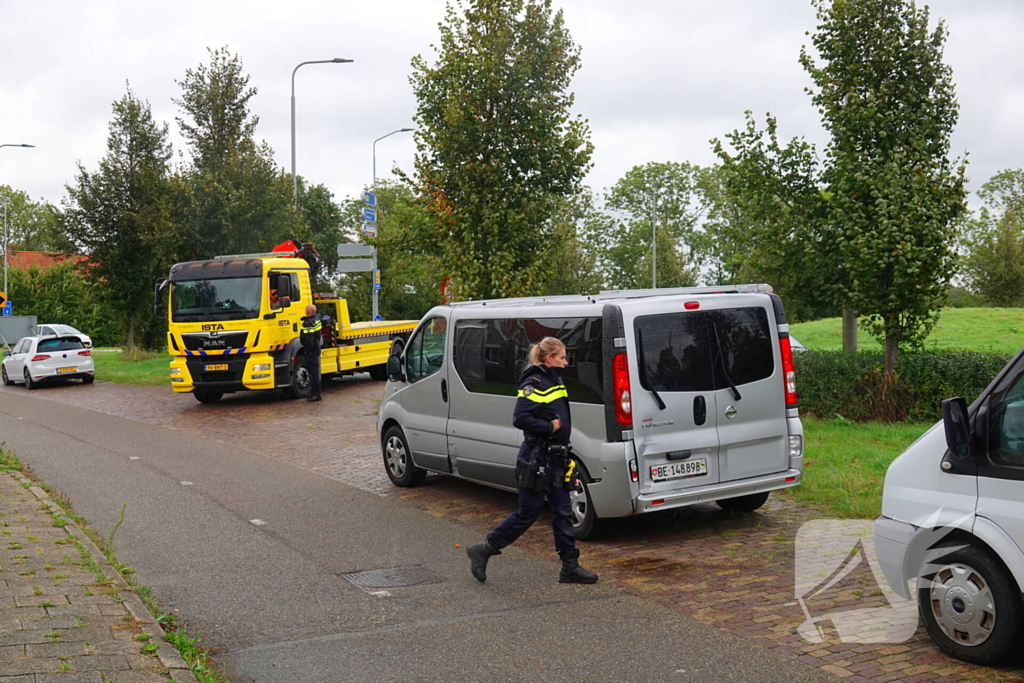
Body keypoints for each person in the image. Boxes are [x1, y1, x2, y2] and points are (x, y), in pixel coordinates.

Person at [466, 337, 599, 584]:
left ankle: (569, 567)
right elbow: (520, 417)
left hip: (555, 458)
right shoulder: (534, 382)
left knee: (562, 511)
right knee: (529, 512)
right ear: (549, 358)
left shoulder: (553, 378)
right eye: (562, 357)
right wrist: (549, 426)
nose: (566, 362)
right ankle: (484, 549)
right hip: (537, 459)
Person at [299, 304, 323, 402]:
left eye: (306, 310)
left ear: (308, 312)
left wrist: (307, 350)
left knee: (312, 372)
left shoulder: (308, 323)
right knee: (314, 371)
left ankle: (316, 393)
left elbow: (309, 339)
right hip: (316, 348)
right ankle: (315, 392)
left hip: (311, 350)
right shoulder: (316, 320)